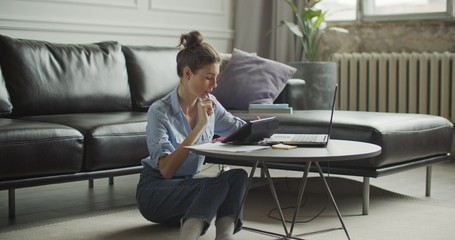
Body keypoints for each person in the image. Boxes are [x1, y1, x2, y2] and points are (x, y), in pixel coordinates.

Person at [136, 31, 248, 240]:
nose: (214, 85)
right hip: (156, 192)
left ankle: (225, 236)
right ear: (187, 74)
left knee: (238, 176)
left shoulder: (211, 104)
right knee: (217, 184)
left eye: (216, 78)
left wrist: (260, 130)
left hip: (188, 191)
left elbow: (237, 129)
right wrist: (200, 127)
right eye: (208, 78)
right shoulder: (159, 111)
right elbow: (167, 170)